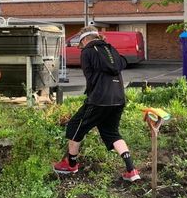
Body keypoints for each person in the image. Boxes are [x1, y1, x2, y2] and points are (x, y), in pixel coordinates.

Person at [53, 25, 140, 182]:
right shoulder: (111, 50)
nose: (81, 48)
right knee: (111, 132)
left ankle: (71, 164)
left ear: (85, 39)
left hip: (99, 99)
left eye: (81, 44)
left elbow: (90, 77)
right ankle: (132, 170)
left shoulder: (87, 51)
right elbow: (120, 65)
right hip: (119, 99)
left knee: (75, 126)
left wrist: (92, 95)